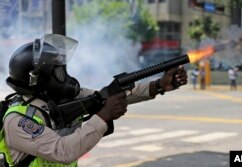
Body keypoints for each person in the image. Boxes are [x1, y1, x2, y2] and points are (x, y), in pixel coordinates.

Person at [0, 34, 187, 166]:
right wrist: (102, 117)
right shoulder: (18, 120)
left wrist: (159, 85)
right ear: (40, 80)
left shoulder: (59, 99)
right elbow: (63, 151)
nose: (65, 76)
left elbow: (109, 95)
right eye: (58, 71)